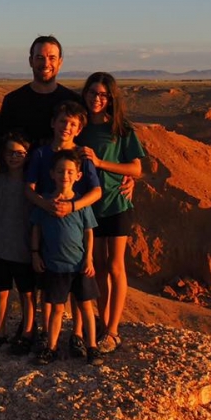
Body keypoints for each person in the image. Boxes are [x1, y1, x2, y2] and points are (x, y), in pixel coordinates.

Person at [24, 100, 101, 354]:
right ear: (53, 123)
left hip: (75, 224)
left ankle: (78, 336)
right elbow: (29, 188)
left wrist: (73, 207)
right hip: (49, 225)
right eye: (62, 122)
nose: (66, 127)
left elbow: (96, 191)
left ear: (78, 129)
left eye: (72, 124)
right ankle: (49, 337)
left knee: (80, 296)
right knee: (52, 288)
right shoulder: (41, 153)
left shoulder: (83, 156)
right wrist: (45, 206)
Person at [76, 72, 145, 354]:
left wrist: (102, 162)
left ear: (111, 98)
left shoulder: (121, 129)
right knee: (98, 268)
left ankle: (113, 330)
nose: (97, 98)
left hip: (116, 204)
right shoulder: (79, 127)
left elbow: (136, 169)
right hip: (89, 206)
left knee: (116, 267)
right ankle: (103, 324)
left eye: (103, 94)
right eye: (93, 92)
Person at [0, 132, 36, 354]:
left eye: (19, 153)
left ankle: (28, 333)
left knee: (28, 293)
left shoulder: (32, 183)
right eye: (10, 153)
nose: (14, 157)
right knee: (1, 292)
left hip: (24, 249)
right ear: (3, 156)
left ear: (27, 155)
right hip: (1, 248)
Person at [0, 35, 82, 146]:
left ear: (60, 62)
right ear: (30, 61)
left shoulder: (74, 102)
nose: (46, 64)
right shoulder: (13, 101)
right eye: (40, 57)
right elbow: (4, 146)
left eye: (52, 58)